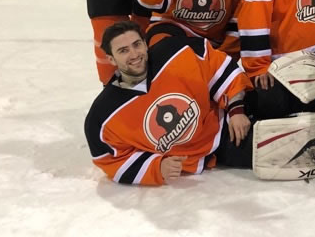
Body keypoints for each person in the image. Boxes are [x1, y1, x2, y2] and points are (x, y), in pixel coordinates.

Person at [84, 21, 252, 185]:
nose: (134, 54)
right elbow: (110, 160)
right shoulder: (102, 115)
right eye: (123, 51)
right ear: (111, 59)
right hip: (221, 146)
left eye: (137, 45)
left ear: (145, 43)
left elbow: (218, 66)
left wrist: (236, 108)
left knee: (273, 94)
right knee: (271, 149)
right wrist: (157, 168)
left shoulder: (175, 51)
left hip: (227, 115)